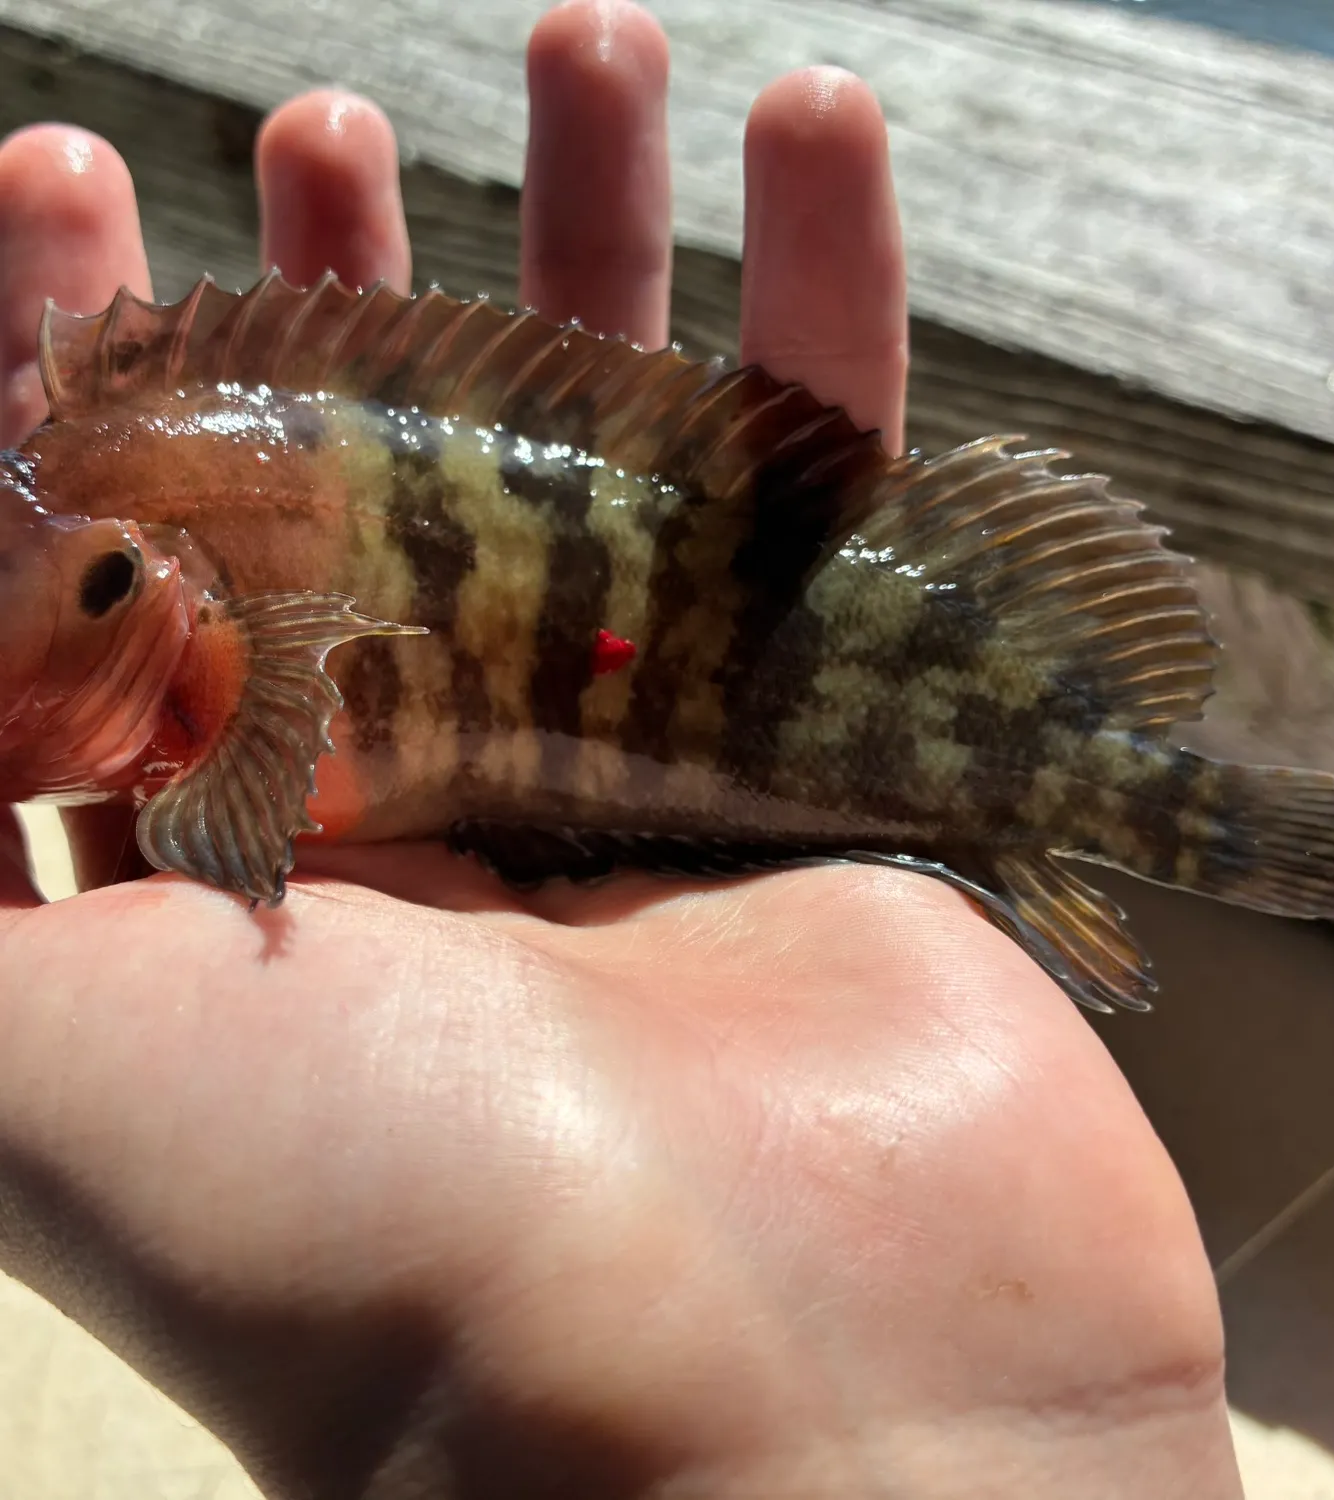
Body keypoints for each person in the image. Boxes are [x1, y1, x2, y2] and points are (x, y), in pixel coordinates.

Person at [0, 3, 1243, 1495]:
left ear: (132, 582)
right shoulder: (115, 512)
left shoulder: (169, 581)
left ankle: (1133, 805)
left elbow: (244, 799)